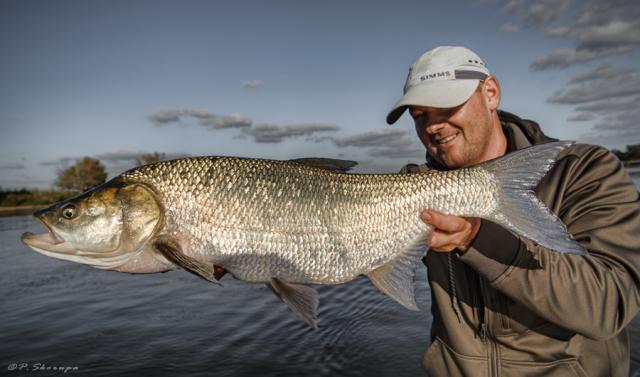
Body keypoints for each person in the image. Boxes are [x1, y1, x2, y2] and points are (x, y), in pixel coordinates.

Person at [386, 46, 640, 377]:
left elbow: (609, 305)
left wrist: (477, 238)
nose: (432, 126)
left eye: (446, 105)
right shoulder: (412, 188)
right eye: (420, 116)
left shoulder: (584, 170)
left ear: (491, 93)